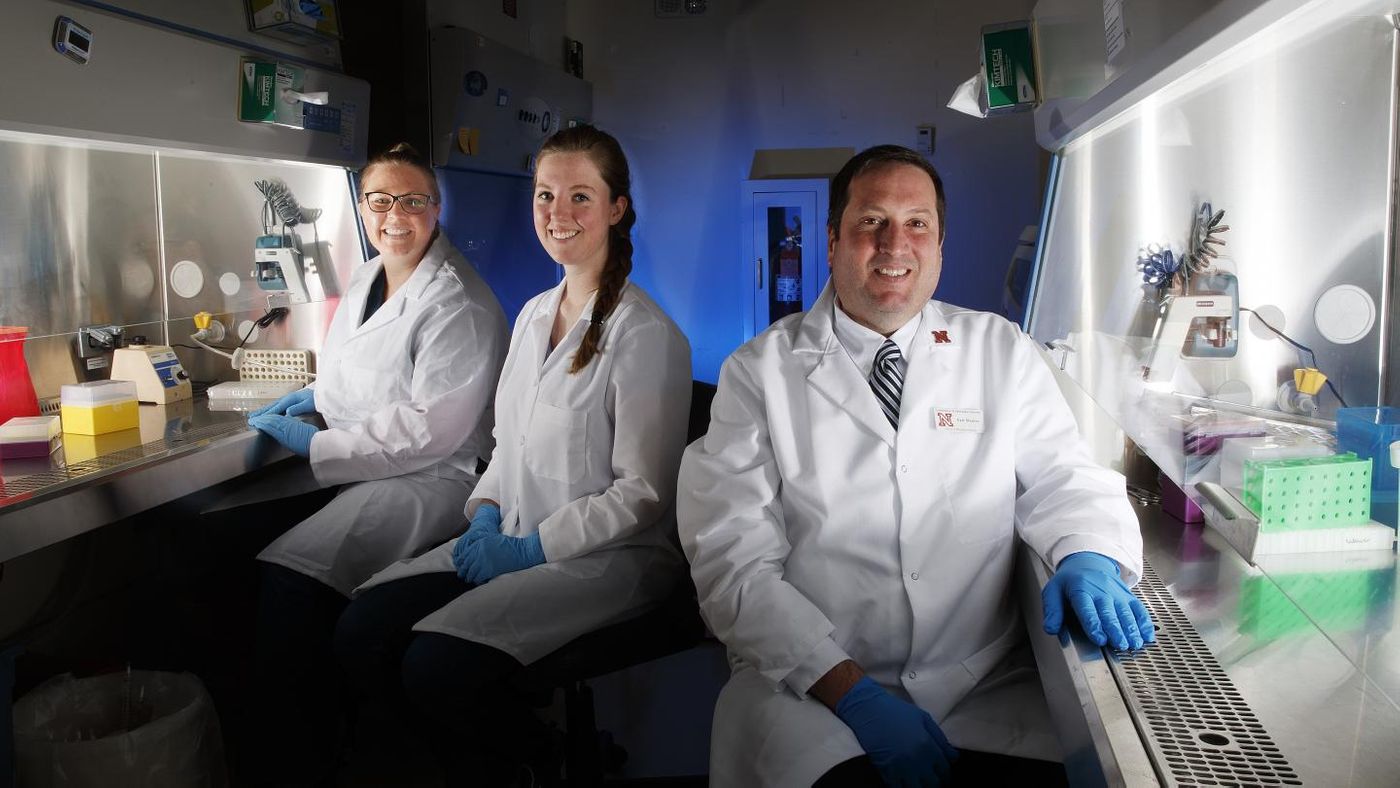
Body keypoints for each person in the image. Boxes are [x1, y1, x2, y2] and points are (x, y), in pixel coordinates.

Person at [677, 145, 1155, 788]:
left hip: (982, 680)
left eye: (918, 223)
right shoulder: (757, 373)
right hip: (812, 689)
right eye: (872, 221)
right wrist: (850, 693)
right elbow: (730, 560)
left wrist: (1086, 556)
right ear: (832, 241)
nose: (895, 244)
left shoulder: (998, 349)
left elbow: (1062, 475)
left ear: (940, 244)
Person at [333, 125, 693, 786]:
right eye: (546, 195)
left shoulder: (647, 336)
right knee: (362, 629)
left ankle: (533, 757)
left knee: (433, 666)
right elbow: (506, 444)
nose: (558, 214)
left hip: (606, 560)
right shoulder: (530, 316)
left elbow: (643, 493)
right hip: (510, 530)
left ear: (616, 208)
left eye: (580, 197)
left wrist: (533, 550)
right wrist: (486, 515)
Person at [241, 142, 509, 781]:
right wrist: (319, 397)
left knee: (291, 579)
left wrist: (319, 443)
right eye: (381, 200)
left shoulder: (456, 301)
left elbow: (430, 430)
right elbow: (358, 371)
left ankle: (303, 760)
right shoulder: (368, 275)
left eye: (412, 201)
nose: (396, 215)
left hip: (434, 480)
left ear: (435, 209)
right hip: (371, 465)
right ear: (363, 208)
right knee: (233, 540)